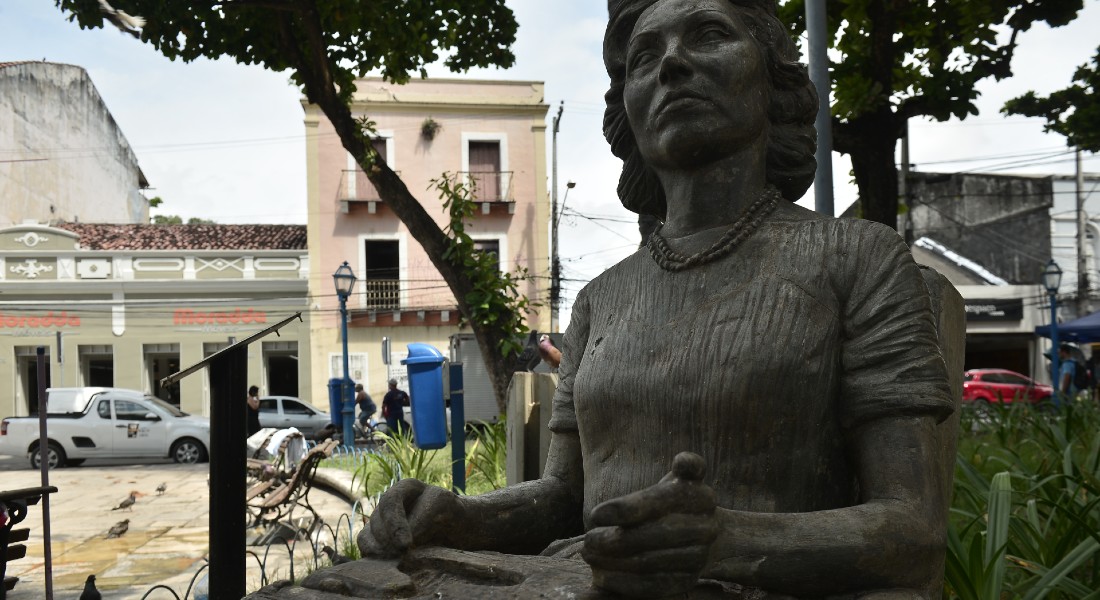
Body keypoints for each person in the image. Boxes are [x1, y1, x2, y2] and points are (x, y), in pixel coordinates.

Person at [357, 0, 953, 597]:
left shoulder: (856, 259)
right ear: (629, 112)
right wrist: (458, 515)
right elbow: (564, 499)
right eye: (644, 57)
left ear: (773, 81)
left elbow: (913, 529)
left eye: (710, 34)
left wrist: (726, 542)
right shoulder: (600, 300)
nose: (671, 64)